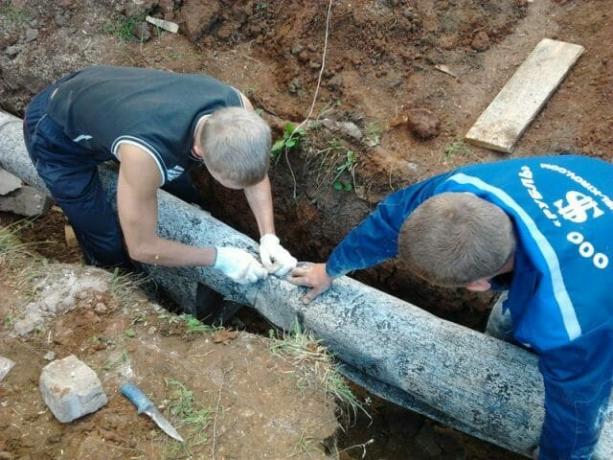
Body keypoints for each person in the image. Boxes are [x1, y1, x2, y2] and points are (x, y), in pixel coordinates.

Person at [289, 154, 612, 459]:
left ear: (479, 285)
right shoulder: (460, 190)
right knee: (511, 325)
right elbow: (389, 221)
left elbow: (578, 403)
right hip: (592, 189)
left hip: (596, 289)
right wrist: (328, 269)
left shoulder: (572, 319)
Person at [23, 65, 297, 283]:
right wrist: (218, 258)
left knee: (187, 195)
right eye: (230, 182)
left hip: (108, 100)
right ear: (200, 152)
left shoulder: (237, 110)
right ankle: (122, 285)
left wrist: (268, 236)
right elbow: (141, 247)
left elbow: (255, 173)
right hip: (56, 131)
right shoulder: (145, 154)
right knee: (106, 238)